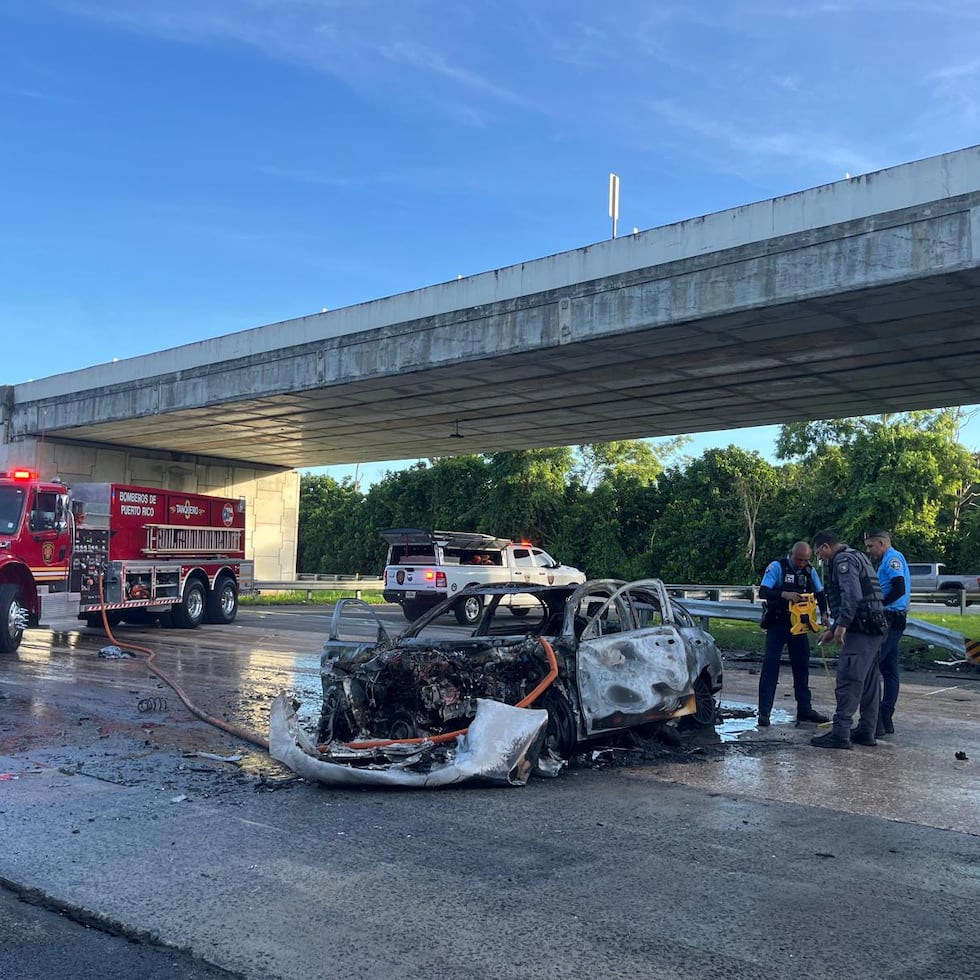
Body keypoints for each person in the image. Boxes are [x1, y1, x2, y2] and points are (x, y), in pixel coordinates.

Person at [810, 530, 888, 749]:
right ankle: (866, 731)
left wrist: (842, 626)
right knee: (870, 682)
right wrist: (834, 628)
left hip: (860, 629)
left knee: (849, 679)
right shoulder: (857, 556)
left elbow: (852, 595)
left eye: (819, 554)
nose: (821, 559)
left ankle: (840, 734)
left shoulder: (843, 560)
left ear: (826, 547)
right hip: (873, 627)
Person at [756, 541, 831, 727]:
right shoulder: (777, 567)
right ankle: (764, 712)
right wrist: (784, 594)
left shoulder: (809, 570)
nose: (802, 564)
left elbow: (820, 593)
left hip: (800, 626)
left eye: (806, 560)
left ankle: (804, 710)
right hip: (778, 624)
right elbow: (764, 591)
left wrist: (824, 613)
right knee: (771, 667)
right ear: (792, 554)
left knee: (802, 667)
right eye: (799, 560)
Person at [864, 529, 911, 735]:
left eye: (871, 546)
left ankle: (876, 720)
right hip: (894, 619)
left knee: (872, 666)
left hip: (890, 618)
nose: (869, 551)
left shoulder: (892, 559)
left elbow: (899, 588)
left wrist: (880, 604)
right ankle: (885, 716)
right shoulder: (889, 559)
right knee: (890, 670)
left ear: (882, 543)